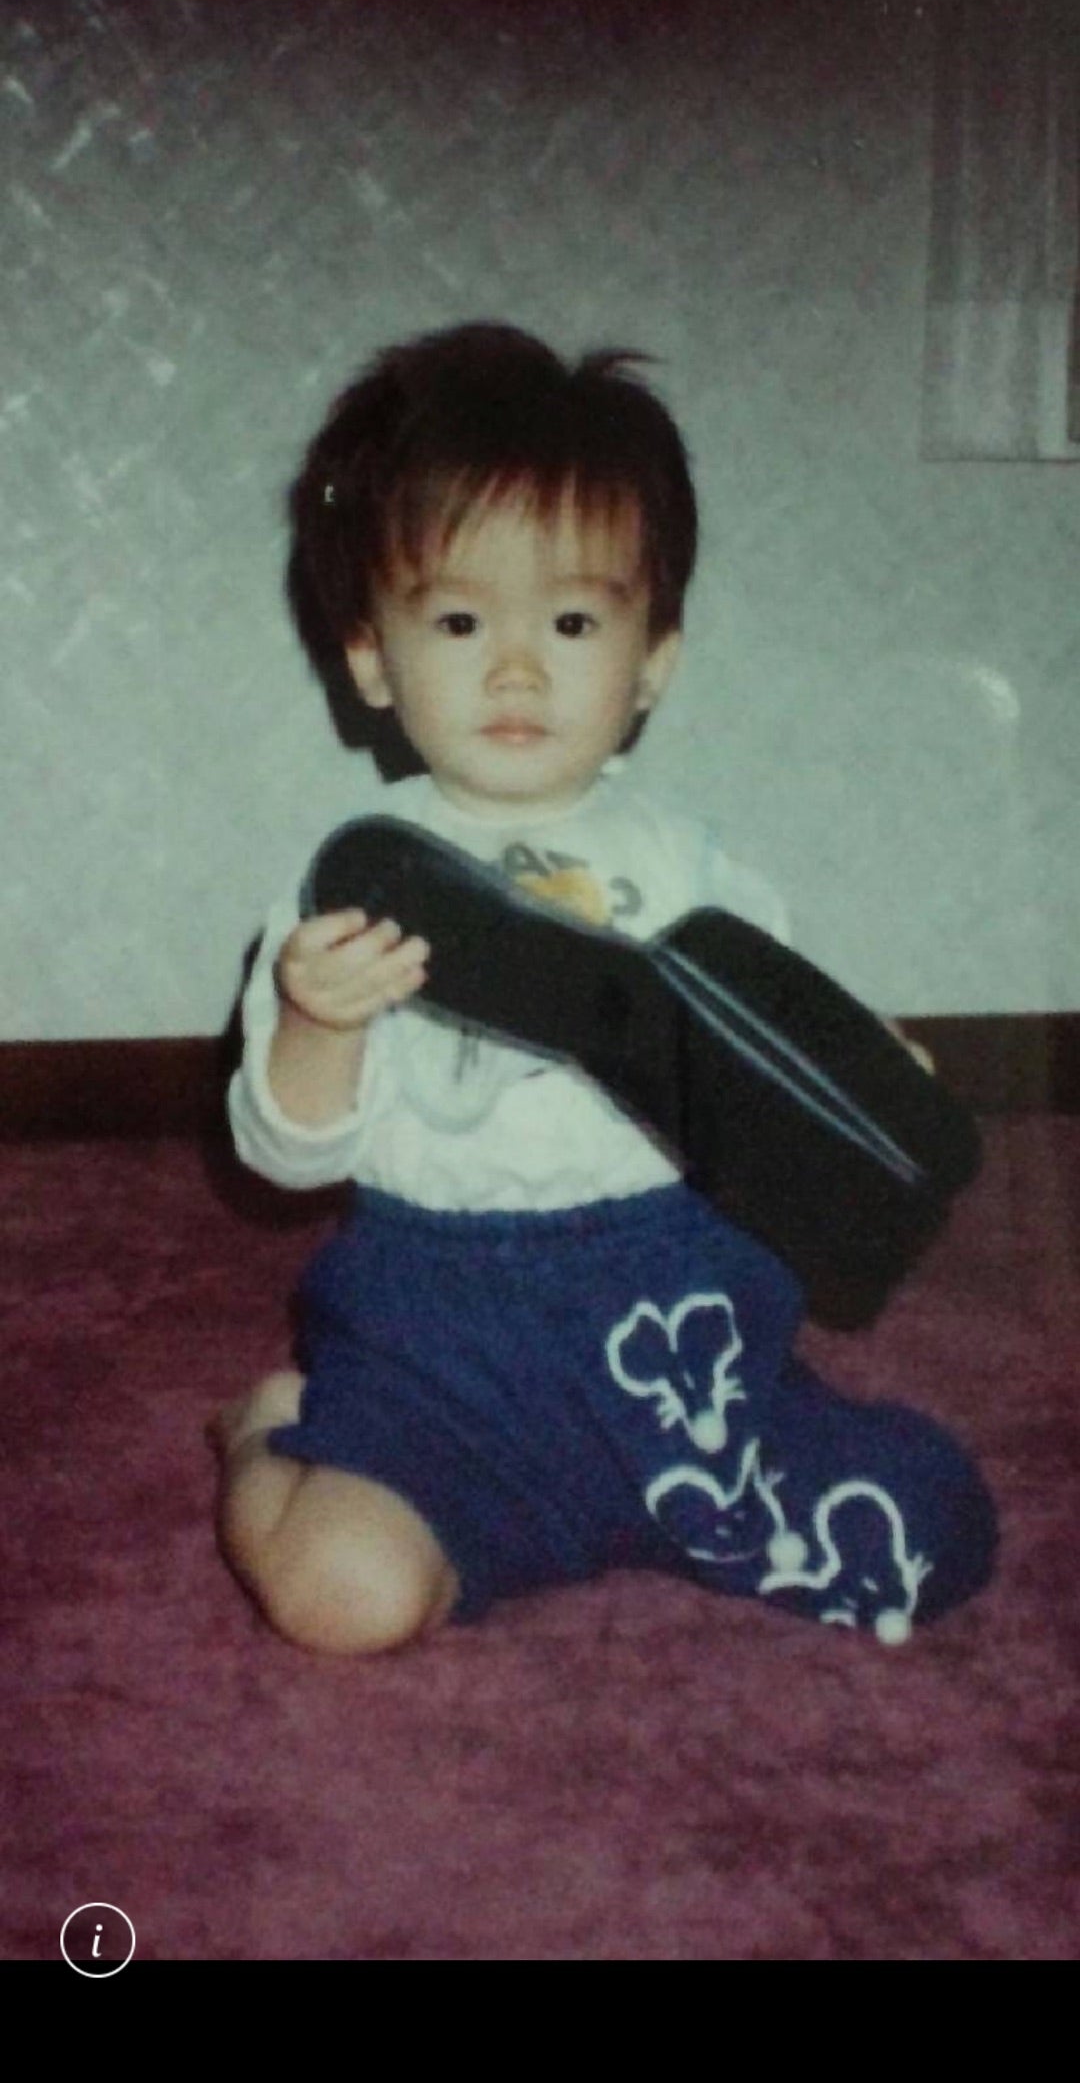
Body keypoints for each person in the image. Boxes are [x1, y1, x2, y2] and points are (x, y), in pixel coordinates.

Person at [210, 322, 997, 1655]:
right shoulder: (358, 886)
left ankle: (701, 1486)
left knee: (939, 1527)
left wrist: (874, 1071)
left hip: (687, 1321)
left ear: (653, 657)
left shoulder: (700, 868)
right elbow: (285, 1155)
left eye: (572, 620)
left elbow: (782, 1046)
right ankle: (260, 1438)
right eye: (459, 620)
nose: (516, 667)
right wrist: (315, 1020)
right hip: (443, 1353)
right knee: (341, 1598)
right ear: (373, 658)